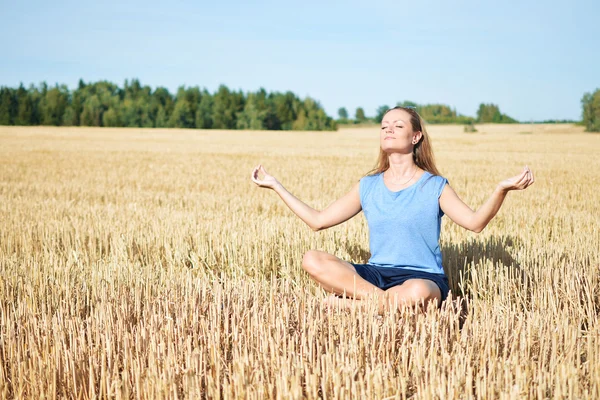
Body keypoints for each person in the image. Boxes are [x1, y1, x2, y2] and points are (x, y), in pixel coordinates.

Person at [251, 106, 534, 314]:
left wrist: (501, 190)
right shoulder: (368, 185)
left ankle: (357, 308)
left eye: (398, 126)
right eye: (385, 125)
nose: (388, 129)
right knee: (312, 259)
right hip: (375, 274)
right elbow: (318, 221)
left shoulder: (434, 185)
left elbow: (474, 223)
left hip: (421, 278)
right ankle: (380, 304)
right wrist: (275, 185)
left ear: (415, 137)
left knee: (420, 292)